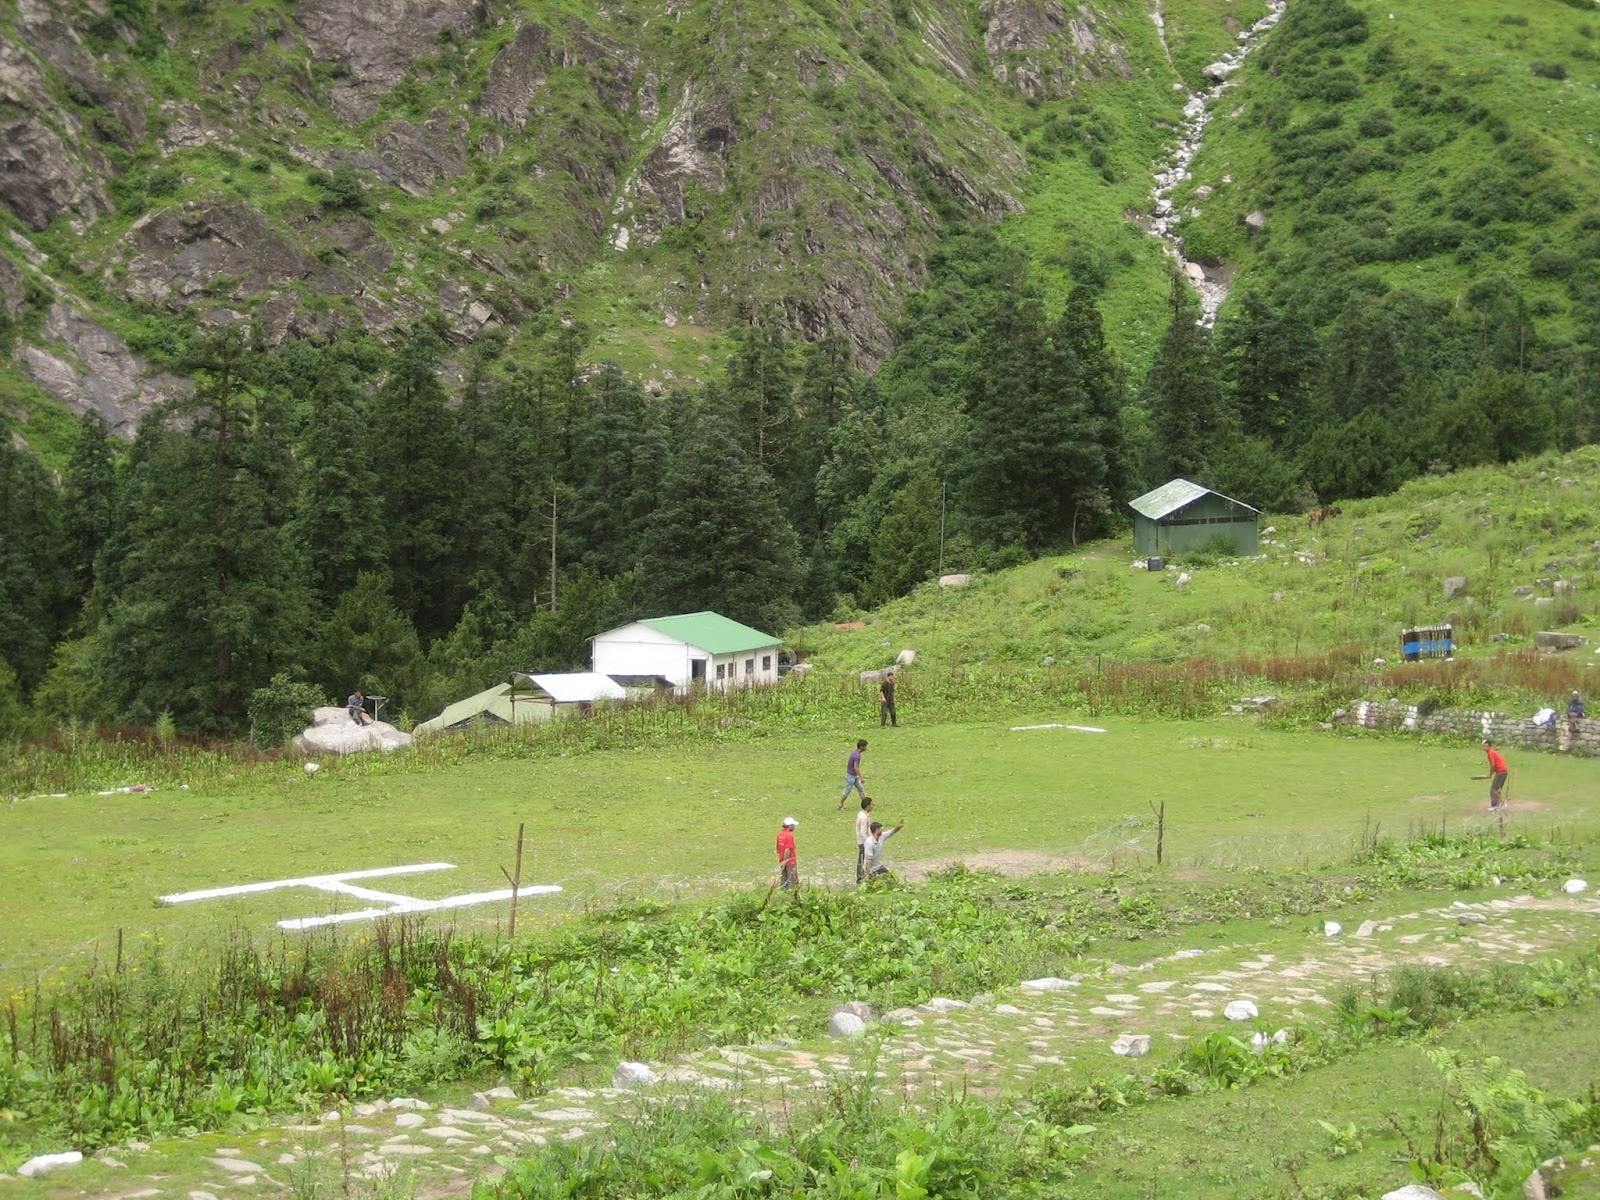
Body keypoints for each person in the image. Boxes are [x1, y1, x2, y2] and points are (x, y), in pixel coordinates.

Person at [1474, 739, 1509, 810]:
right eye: (1484, 746)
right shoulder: (1492, 752)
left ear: (1490, 747)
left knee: (1494, 789)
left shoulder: (1490, 753)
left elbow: (1493, 765)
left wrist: (1490, 774)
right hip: (1504, 772)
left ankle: (1496, 806)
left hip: (1501, 772)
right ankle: (1500, 804)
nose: (1485, 748)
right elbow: (1494, 765)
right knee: (1497, 789)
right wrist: (1491, 774)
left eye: (1486, 746)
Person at [837, 739, 867, 810]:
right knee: (847, 791)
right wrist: (861, 778)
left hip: (854, 776)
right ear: (862, 747)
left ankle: (866, 804)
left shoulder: (855, 752)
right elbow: (856, 767)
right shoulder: (857, 755)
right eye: (865, 746)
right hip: (851, 776)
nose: (866, 748)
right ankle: (840, 804)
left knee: (861, 789)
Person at [854, 796, 875, 884]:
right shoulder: (864, 818)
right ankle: (860, 879)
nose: (873, 806)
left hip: (863, 842)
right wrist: (869, 842)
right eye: (871, 804)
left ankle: (863, 878)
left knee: (863, 860)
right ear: (867, 806)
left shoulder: (861, 814)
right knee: (864, 861)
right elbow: (863, 832)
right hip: (864, 843)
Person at [776, 817, 800, 890]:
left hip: (781, 861)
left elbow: (778, 850)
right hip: (790, 862)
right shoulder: (789, 835)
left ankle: (783, 893)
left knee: (783, 881)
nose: (794, 827)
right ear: (790, 825)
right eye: (793, 825)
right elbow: (787, 850)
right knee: (792, 882)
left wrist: (782, 863)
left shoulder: (779, 835)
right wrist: (785, 862)